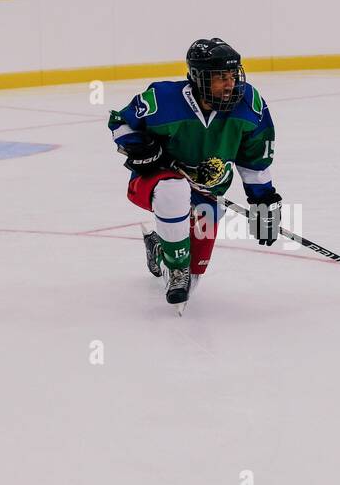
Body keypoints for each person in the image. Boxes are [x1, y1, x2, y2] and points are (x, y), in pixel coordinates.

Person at [107, 38, 282, 307]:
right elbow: (120, 122)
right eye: (220, 78)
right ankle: (176, 266)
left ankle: (159, 248)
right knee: (173, 189)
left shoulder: (250, 103)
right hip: (154, 182)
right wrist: (140, 147)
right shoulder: (163, 100)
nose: (230, 84)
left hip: (208, 195)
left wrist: (263, 201)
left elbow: (254, 158)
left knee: (194, 277)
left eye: (233, 76)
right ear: (199, 78)